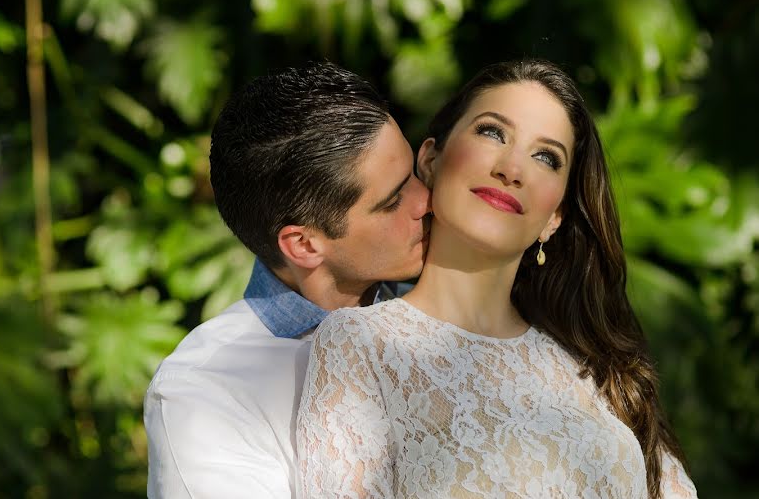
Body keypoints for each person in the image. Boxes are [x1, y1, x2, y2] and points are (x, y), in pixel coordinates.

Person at [297, 59, 698, 499]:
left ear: (555, 218)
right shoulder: (360, 344)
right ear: (430, 159)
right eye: (492, 132)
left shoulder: (599, 370)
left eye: (546, 157)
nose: (513, 169)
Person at [144, 62, 430, 498]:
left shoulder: (451, 302)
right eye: (393, 200)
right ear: (304, 245)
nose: (426, 200)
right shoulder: (205, 391)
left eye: (415, 174)